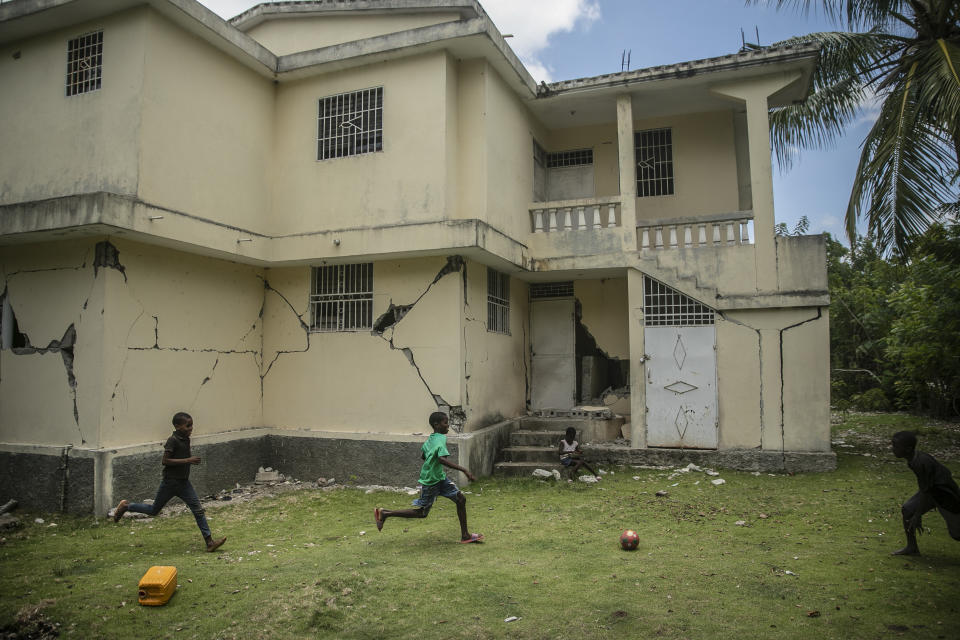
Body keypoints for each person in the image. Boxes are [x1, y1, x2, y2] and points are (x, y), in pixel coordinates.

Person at [111, 412, 226, 552]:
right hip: (170, 483)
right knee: (154, 510)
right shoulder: (172, 440)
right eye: (187, 426)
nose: (191, 428)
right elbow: (165, 461)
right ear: (177, 426)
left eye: (192, 425)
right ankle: (126, 507)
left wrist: (188, 461)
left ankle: (209, 543)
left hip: (184, 483)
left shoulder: (186, 439)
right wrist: (188, 460)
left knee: (198, 510)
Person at [374, 411, 483, 543]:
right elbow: (441, 459)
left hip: (439, 478)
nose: (448, 425)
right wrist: (464, 469)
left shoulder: (431, 439)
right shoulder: (440, 439)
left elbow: (424, 455)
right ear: (436, 425)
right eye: (445, 422)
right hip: (431, 481)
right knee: (422, 513)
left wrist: (431, 462)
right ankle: (385, 513)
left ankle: (465, 535)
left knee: (460, 499)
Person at [890, 430, 960, 556]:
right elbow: (925, 488)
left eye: (895, 446)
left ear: (908, 449)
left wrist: (918, 515)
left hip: (946, 496)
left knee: (957, 534)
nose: (893, 449)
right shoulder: (914, 459)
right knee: (907, 510)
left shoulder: (921, 462)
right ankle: (912, 547)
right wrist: (916, 512)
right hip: (931, 492)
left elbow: (927, 490)